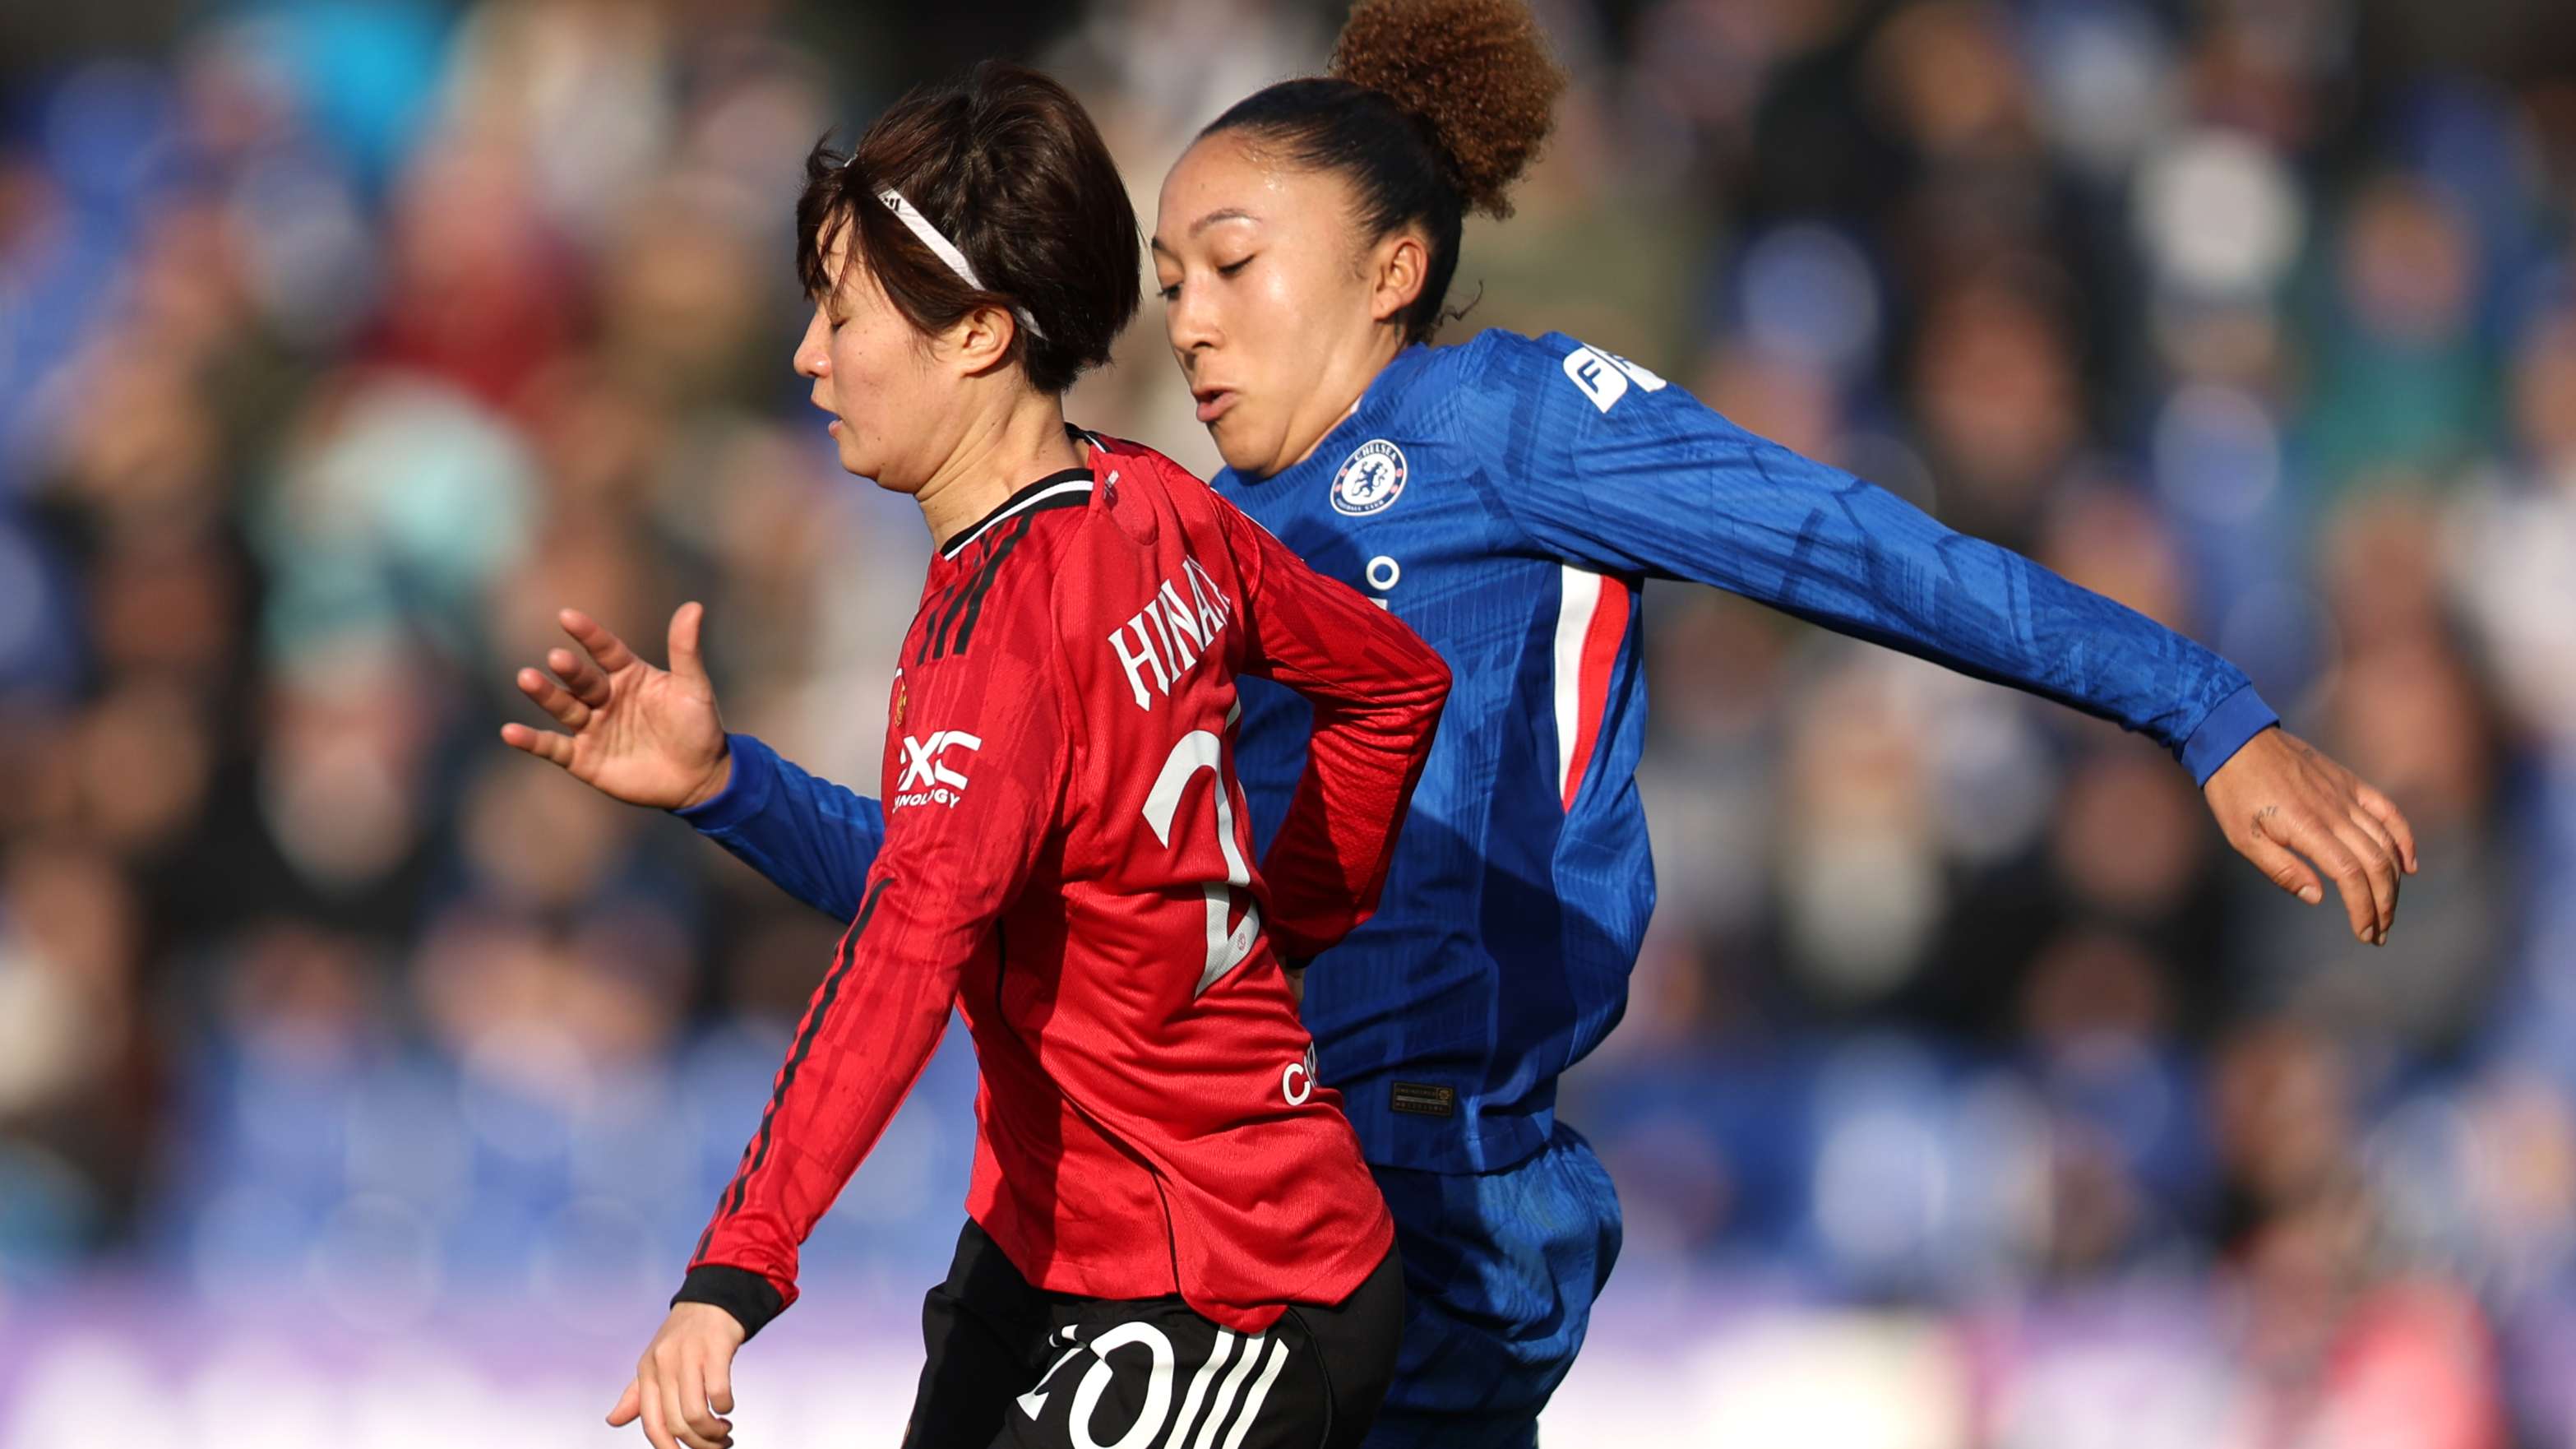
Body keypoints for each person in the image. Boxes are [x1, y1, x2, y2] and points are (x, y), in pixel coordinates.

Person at [517, 4, 2420, 1446]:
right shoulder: (1180, 540)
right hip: (1241, 1199)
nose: (1188, 321)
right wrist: (726, 787)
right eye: (1171, 282)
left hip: (1428, 1192)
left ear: (1393, 271)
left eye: (1235, 267)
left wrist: (2206, 710)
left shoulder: (1507, 428)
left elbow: (1857, 545)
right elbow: (1020, 891)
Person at [505, 62, 1451, 1449]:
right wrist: (729, 785)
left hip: (1224, 1281)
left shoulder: (1001, 633)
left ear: (977, 332)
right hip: (1051, 1252)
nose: (807, 356)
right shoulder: (1156, 507)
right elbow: (1388, 687)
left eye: (841, 311)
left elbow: (905, 952)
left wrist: (734, 1272)